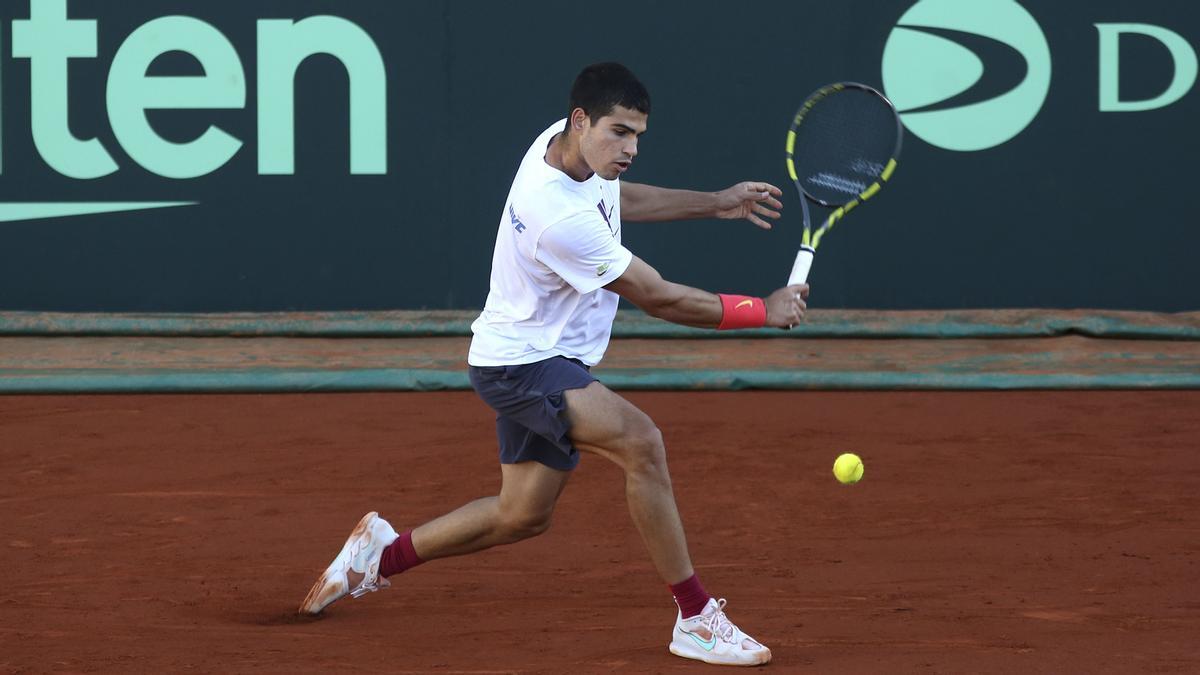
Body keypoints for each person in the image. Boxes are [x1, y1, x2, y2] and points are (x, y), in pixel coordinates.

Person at [300, 62, 808, 667]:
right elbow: (661, 297)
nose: (631, 148)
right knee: (642, 443)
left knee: (521, 516)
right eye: (620, 132)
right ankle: (696, 618)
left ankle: (378, 556)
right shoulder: (556, 216)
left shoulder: (560, 146)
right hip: (526, 364)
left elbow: (617, 198)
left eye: (639, 135)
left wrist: (714, 202)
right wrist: (762, 310)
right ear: (582, 120)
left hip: (529, 354)